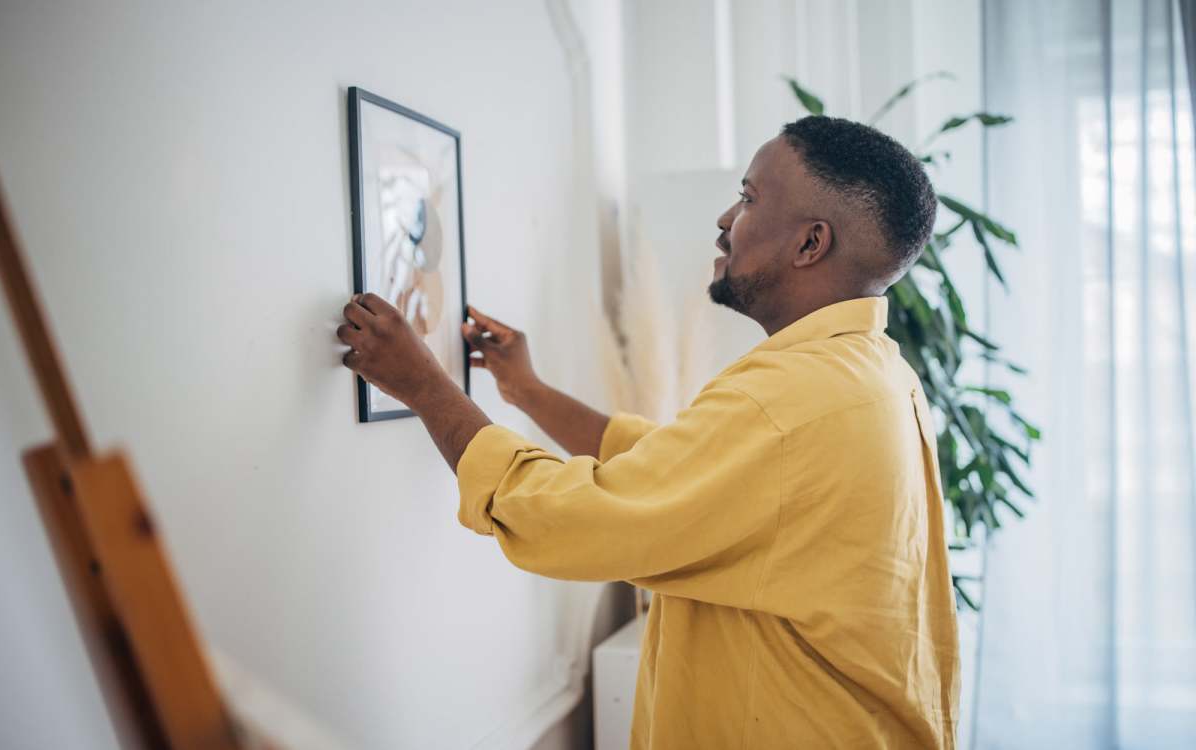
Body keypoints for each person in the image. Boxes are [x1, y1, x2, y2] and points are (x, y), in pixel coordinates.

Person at [337, 116, 960, 749]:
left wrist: (426, 387)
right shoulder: (876, 373)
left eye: (748, 198)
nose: (725, 219)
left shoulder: (788, 399)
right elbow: (680, 468)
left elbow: (567, 521)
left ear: (810, 243)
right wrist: (529, 391)